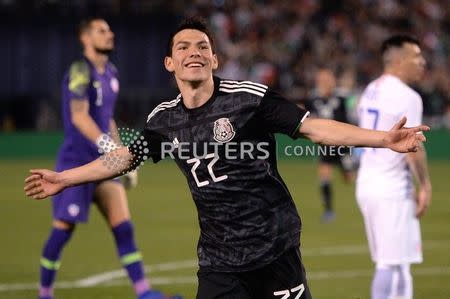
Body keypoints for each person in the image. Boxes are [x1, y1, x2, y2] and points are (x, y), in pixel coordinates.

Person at [25, 17, 429, 299]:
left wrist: (383, 140)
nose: (194, 52)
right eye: (183, 47)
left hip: (275, 251)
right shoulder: (163, 120)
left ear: (215, 59)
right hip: (219, 261)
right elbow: (124, 158)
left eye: (203, 46)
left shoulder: (249, 98)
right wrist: (66, 178)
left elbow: (315, 127)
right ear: (170, 63)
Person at [35, 17, 179, 299]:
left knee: (123, 227)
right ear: (85, 38)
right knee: (62, 232)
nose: (110, 34)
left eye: (110, 30)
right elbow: (79, 116)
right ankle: (44, 293)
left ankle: (144, 292)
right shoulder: (80, 69)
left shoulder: (111, 73)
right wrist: (107, 147)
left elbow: (107, 118)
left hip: (103, 166)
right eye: (102, 30)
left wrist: (120, 154)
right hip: (75, 163)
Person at [356, 35, 432, 299]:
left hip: (368, 183)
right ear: (399, 61)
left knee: (388, 261)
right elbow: (412, 149)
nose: (423, 62)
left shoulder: (371, 89)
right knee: (395, 265)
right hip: (392, 187)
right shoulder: (407, 96)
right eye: (417, 56)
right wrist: (425, 186)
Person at [306, 67, 355, 222]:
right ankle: (328, 211)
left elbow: (350, 118)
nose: (326, 83)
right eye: (322, 80)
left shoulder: (342, 98)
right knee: (325, 177)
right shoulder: (313, 99)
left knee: (349, 178)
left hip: (343, 144)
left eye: (328, 79)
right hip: (326, 145)